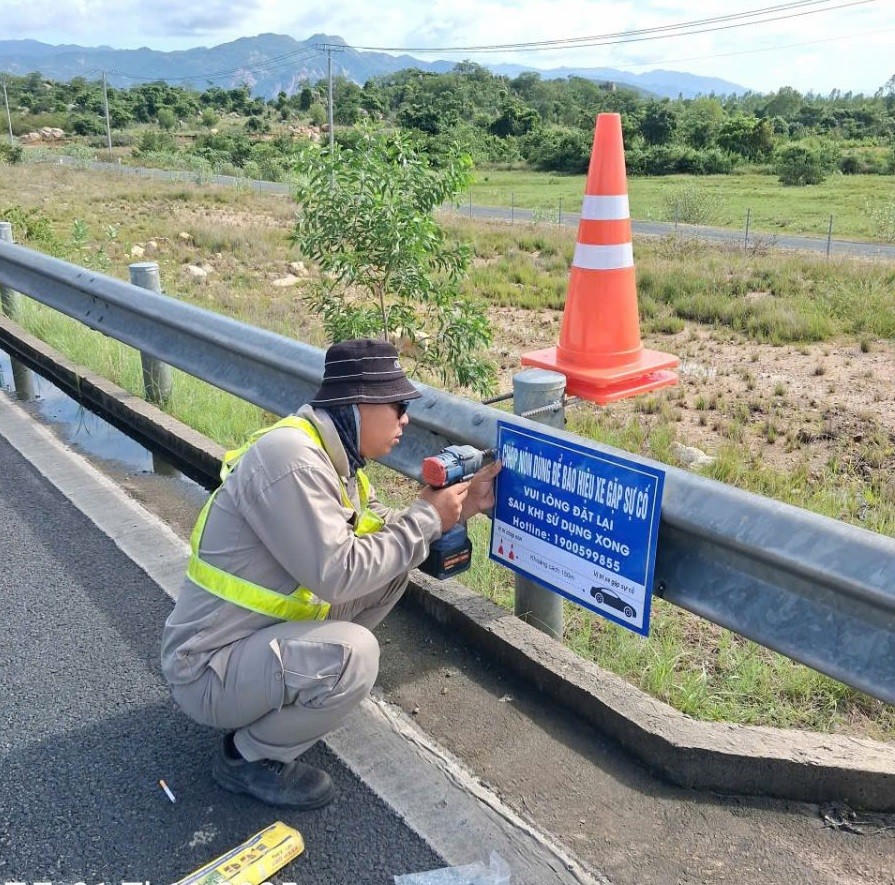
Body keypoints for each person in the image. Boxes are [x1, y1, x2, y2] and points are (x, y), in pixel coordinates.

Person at [161, 338, 500, 810]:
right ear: (360, 403)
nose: (405, 420)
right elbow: (338, 574)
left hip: (246, 646)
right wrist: (426, 517)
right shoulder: (292, 461)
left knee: (392, 570)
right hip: (207, 670)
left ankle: (306, 692)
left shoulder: (337, 462)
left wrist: (459, 510)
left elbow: (383, 536)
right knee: (354, 655)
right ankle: (246, 757)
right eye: (398, 407)